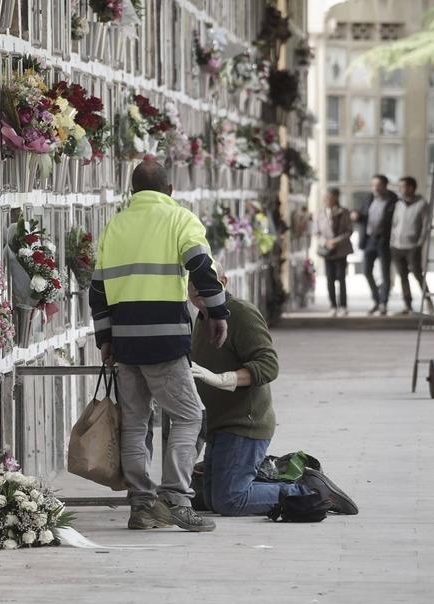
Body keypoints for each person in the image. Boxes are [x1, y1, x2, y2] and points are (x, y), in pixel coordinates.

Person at [90, 159, 225, 532]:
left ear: (132, 192)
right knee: (189, 415)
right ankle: (176, 500)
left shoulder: (115, 226)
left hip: (124, 341)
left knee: (135, 422)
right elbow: (201, 268)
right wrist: (219, 313)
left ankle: (141, 506)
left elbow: (98, 290)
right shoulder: (180, 219)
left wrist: (104, 339)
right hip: (165, 339)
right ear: (170, 191)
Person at [189, 276, 359, 517]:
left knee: (231, 501)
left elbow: (268, 365)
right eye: (192, 282)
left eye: (205, 279)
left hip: (243, 424)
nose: (197, 287)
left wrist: (222, 379)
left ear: (223, 282)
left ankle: (307, 490)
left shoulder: (240, 313)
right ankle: (272, 476)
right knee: (210, 500)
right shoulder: (201, 317)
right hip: (218, 425)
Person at [352, 174, 399, 315]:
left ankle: (383, 303)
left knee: (385, 273)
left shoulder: (393, 201)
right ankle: (376, 299)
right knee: (366, 271)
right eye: (373, 185)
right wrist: (357, 216)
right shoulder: (368, 199)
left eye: (378, 185)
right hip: (369, 240)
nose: (375, 188)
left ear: (385, 186)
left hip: (385, 240)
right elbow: (362, 215)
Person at [389, 176, 434, 315]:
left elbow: (426, 226)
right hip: (397, 246)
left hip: (412, 246)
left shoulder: (422, 204)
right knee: (402, 276)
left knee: (417, 274)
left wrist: (419, 243)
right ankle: (407, 305)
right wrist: (392, 241)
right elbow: (394, 224)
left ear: (411, 188)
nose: (400, 190)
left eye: (403, 187)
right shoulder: (399, 204)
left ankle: (428, 300)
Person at [316, 187, 354, 317]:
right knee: (329, 279)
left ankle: (343, 305)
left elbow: (349, 230)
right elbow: (317, 233)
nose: (326, 200)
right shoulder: (320, 213)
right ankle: (332, 305)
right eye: (325, 197)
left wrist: (336, 241)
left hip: (341, 250)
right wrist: (326, 242)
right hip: (327, 251)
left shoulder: (344, 212)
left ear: (335, 198)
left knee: (341, 278)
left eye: (328, 197)